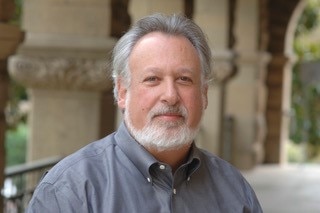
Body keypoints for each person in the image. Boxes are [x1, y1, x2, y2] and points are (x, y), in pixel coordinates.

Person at [27, 13, 262, 212]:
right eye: (152, 79)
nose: (170, 95)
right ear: (122, 92)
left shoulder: (234, 191)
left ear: (204, 94)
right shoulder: (71, 191)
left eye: (184, 79)